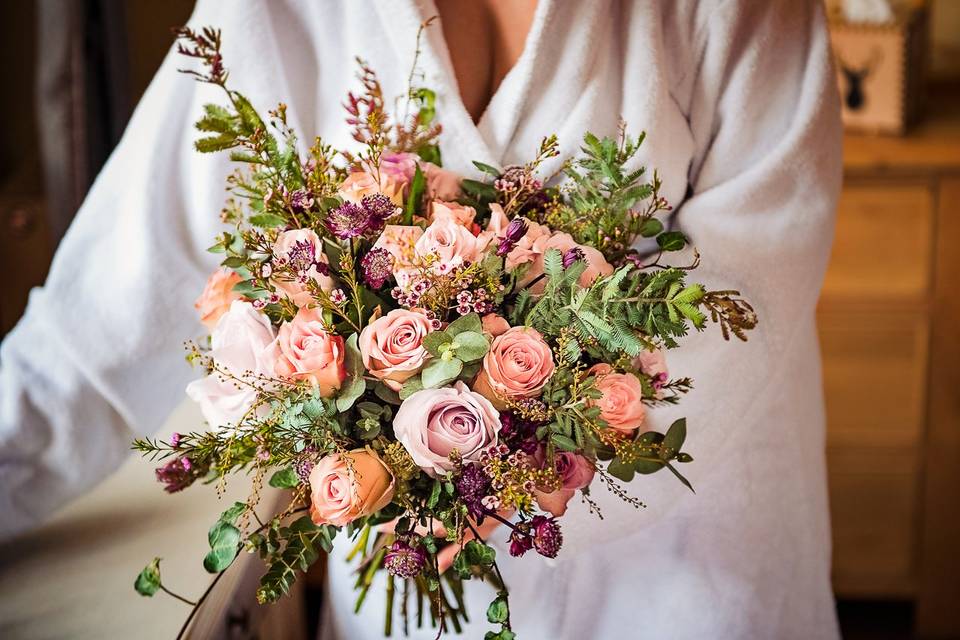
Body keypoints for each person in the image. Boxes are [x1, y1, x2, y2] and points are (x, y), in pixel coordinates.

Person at [0, 1, 842, 638]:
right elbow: (92, 337)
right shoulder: (271, 16)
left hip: (692, 583)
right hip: (416, 611)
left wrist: (510, 469)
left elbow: (753, 275)